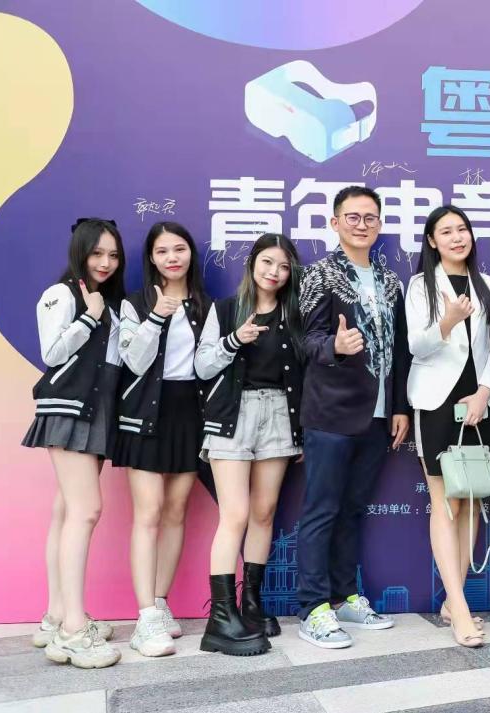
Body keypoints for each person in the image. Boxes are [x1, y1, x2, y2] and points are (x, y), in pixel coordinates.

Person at [295, 186, 410, 649]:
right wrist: (335, 346)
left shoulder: (391, 280)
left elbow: (400, 350)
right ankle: (312, 608)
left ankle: (344, 596)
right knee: (321, 510)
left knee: (353, 510)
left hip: (378, 416)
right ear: (335, 222)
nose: (362, 225)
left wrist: (398, 406)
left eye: (370, 218)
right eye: (353, 217)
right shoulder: (319, 274)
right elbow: (306, 340)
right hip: (331, 414)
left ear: (379, 224)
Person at [195, 233, 306, 655]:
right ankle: (220, 619)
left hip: (279, 415)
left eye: (283, 266)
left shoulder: (294, 314)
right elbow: (202, 365)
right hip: (233, 415)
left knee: (264, 512)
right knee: (235, 514)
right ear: (253, 263)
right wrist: (234, 340)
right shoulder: (225, 310)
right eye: (267, 262)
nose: (274, 272)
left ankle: (251, 604)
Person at [23, 218, 125, 668]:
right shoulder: (62, 294)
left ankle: (57, 616)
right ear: (80, 252)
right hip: (67, 409)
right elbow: (51, 353)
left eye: (113, 255)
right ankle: (72, 632)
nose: (105, 262)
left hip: (95, 411)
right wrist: (89, 317)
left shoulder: (110, 302)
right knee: (85, 511)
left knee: (67, 511)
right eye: (97, 253)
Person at [406, 206, 490, 648]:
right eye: (446, 231)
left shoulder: (489, 285)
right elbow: (417, 346)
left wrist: (485, 392)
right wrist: (447, 322)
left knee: (471, 499)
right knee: (446, 503)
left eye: (462, 229)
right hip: (436, 402)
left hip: (480, 403)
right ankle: (460, 607)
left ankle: (453, 599)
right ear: (432, 241)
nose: (457, 237)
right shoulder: (420, 286)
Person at [112, 221, 209, 657]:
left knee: (175, 510)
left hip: (190, 412)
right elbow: (133, 361)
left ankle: (161, 601)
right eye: (163, 251)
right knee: (148, 511)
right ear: (151, 258)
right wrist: (156, 316)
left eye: (179, 249)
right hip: (145, 413)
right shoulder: (134, 304)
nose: (172, 257)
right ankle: (145, 616)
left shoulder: (206, 306)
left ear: (190, 254)